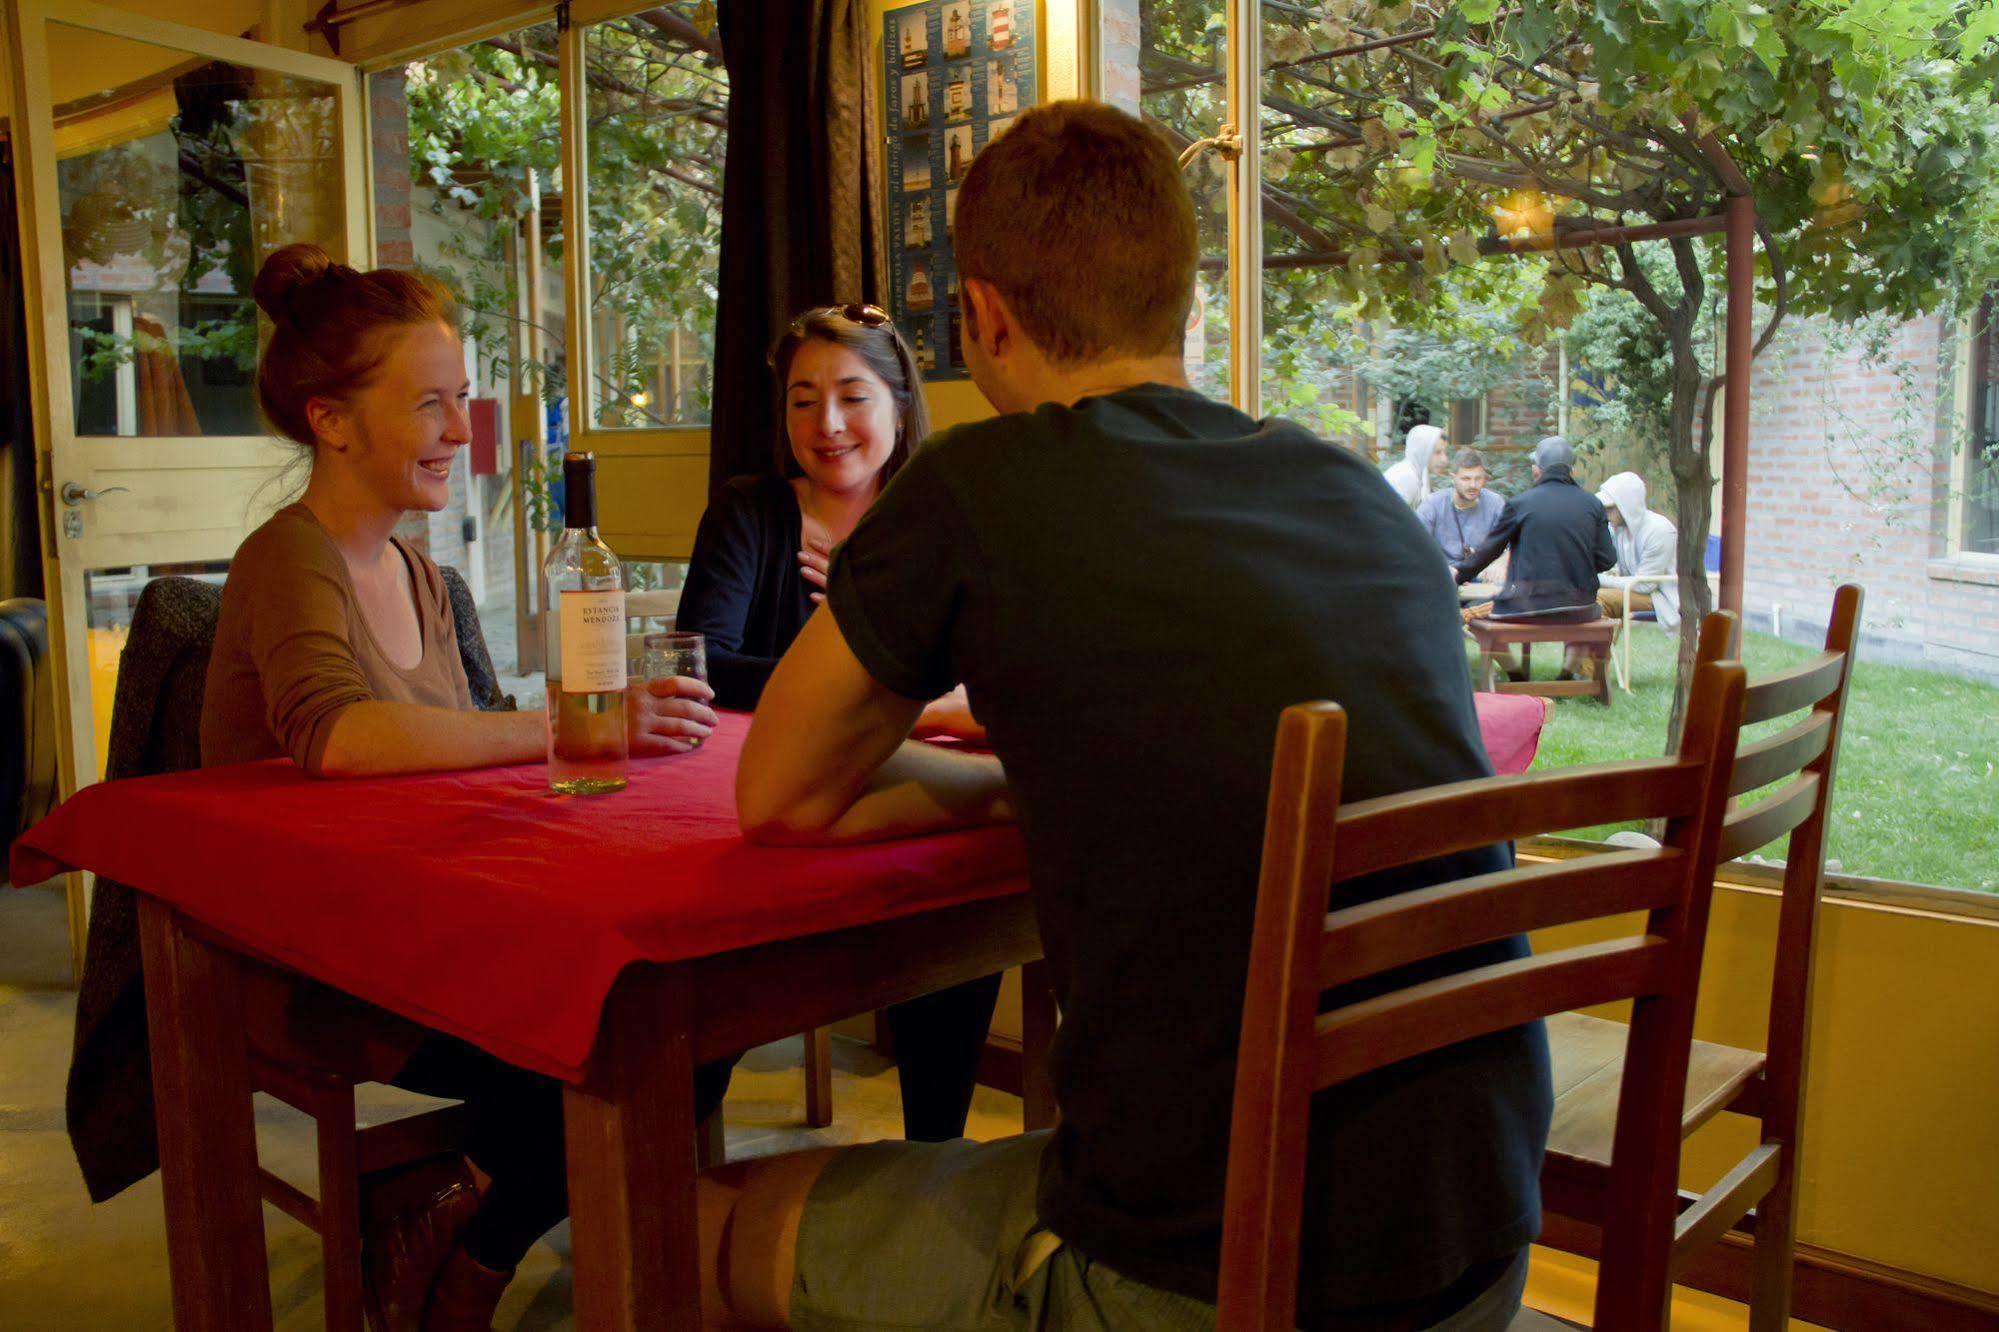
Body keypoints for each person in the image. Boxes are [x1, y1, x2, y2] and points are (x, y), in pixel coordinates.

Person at [701, 102, 1550, 1331]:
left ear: (984, 316)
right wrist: (1031, 770)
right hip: (1477, 1244)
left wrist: (995, 784)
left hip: (1217, 1280)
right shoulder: (1351, 489)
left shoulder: (983, 483)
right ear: (1183, 307)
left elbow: (775, 795)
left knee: (712, 1216)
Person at [202, 244, 725, 1332]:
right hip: (320, 959)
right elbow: (337, 738)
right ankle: (465, 1246)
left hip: (417, 920)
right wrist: (574, 724)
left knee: (692, 1013)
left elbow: (470, 742)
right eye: (432, 404)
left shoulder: (424, 575)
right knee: (630, 1031)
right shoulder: (288, 558)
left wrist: (601, 731)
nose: (460, 431)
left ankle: (460, 1221)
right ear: (332, 421)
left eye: (464, 402)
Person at [676, 303, 999, 1143]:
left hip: (910, 787)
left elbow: (988, 669)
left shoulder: (936, 525)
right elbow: (701, 662)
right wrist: (855, 664)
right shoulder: (751, 513)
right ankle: (669, 1146)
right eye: (801, 399)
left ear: (898, 405)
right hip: (760, 793)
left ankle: (939, 1150)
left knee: (953, 890)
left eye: (853, 396)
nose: (827, 424)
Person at [1454, 435, 1618, 679]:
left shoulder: (1521, 503)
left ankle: (1515, 674)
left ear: (1536, 470)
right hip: (1580, 607)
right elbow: (1607, 559)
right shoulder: (1592, 504)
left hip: (1526, 607)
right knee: (1590, 612)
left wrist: (1459, 575)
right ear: (1572, 470)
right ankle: (1566, 675)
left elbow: (1491, 550)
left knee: (1474, 617)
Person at [1595, 470, 1681, 631]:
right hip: (1637, 591)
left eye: (1610, 509)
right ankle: (1588, 653)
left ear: (1626, 506)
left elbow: (1645, 585)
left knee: (1598, 599)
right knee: (1583, 595)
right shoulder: (1620, 530)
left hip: (1662, 599)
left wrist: (1598, 580)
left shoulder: (1659, 530)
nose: (1605, 514)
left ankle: (1592, 655)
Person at [1416, 447, 1506, 572]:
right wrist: (1440, 570)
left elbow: (1514, 544)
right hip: (1444, 574)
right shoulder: (1433, 504)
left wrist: (1500, 564)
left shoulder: (1495, 503)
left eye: (1478, 478)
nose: (1473, 485)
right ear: (1453, 478)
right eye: (1466, 479)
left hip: (1483, 575)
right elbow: (1415, 546)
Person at [1381, 420, 1446, 507]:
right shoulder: (1406, 477)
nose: (1444, 460)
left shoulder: (1418, 474)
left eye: (1444, 452)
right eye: (1437, 452)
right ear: (1422, 451)